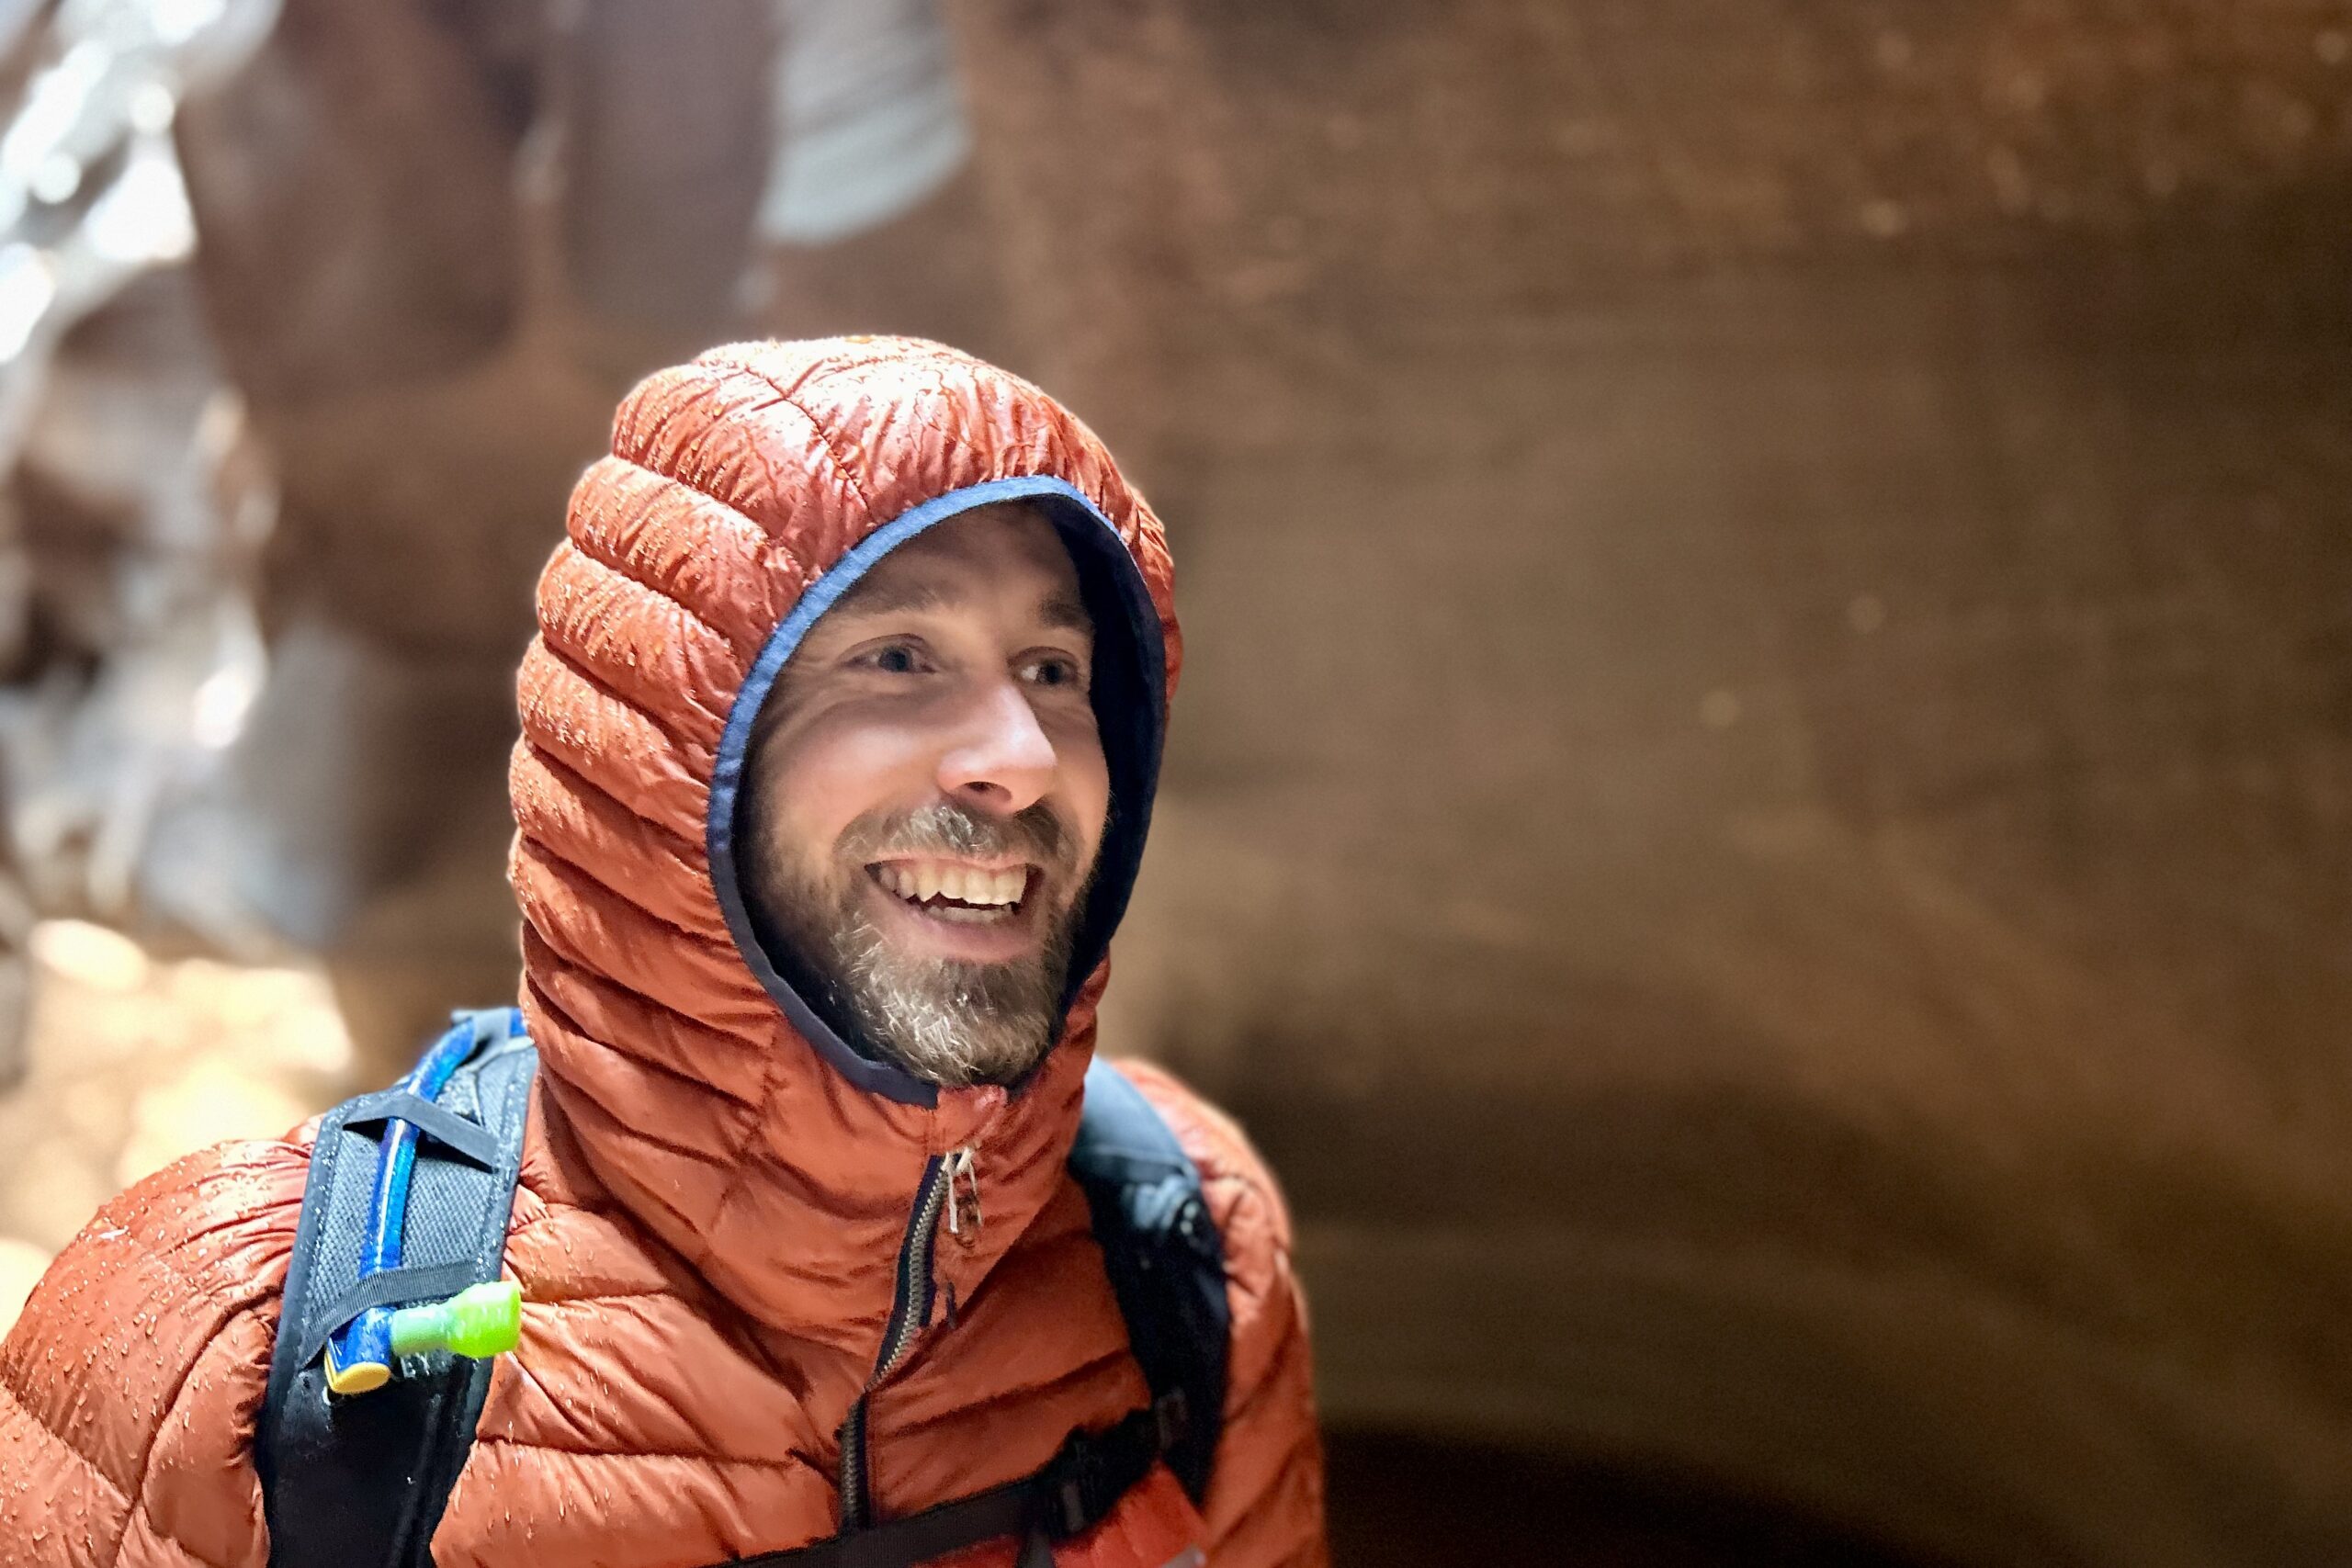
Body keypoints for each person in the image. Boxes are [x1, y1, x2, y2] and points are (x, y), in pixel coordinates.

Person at [0, 337, 1328, 1567]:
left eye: (1054, 669)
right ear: (673, 767)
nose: (1023, 758)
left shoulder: (1188, 1254)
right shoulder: (227, 1354)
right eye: (900, 656)